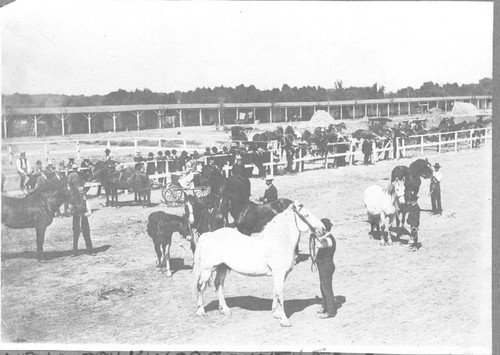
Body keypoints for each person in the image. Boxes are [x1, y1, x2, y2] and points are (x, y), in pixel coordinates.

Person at [67, 168, 93, 256]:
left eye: (82, 190)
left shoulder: (85, 200)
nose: (81, 191)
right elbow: (68, 211)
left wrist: (86, 214)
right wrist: (71, 211)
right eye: (80, 190)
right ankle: (75, 251)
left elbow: (89, 210)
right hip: (77, 217)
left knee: (86, 234)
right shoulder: (74, 199)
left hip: (84, 217)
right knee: (75, 234)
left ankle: (90, 250)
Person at [315, 218, 337, 318]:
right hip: (323, 265)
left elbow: (322, 245)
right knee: (323, 287)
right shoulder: (327, 237)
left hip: (326, 265)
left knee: (327, 288)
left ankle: (331, 312)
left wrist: (317, 237)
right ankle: (325, 306)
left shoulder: (328, 239)